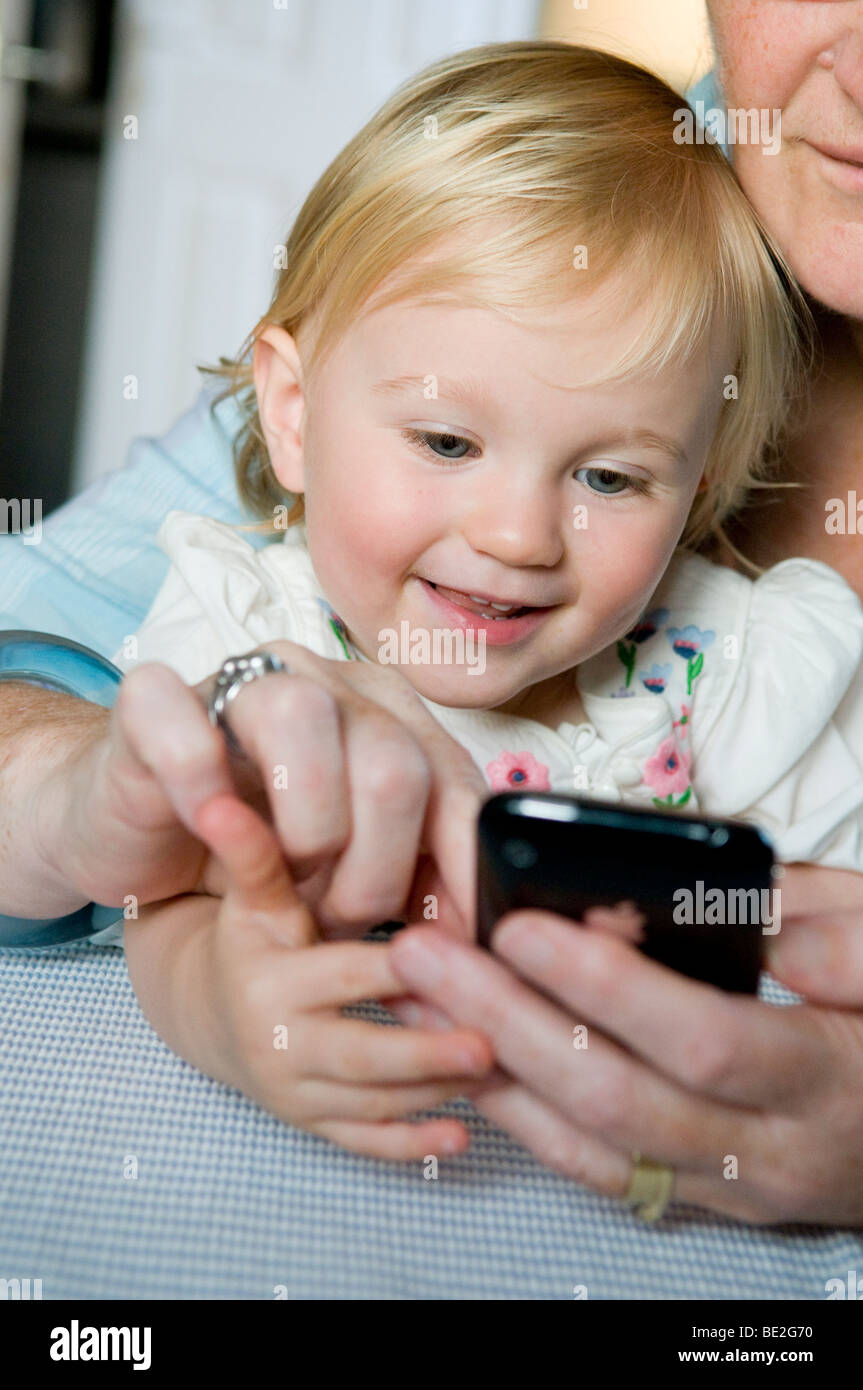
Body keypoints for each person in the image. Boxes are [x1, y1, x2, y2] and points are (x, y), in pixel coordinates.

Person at [3, 39, 863, 1205]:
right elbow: (176, 899)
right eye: (447, 444)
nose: (515, 535)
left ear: (700, 491)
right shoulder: (252, 627)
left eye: (609, 479)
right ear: (293, 413)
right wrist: (228, 1014)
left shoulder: (737, 672)